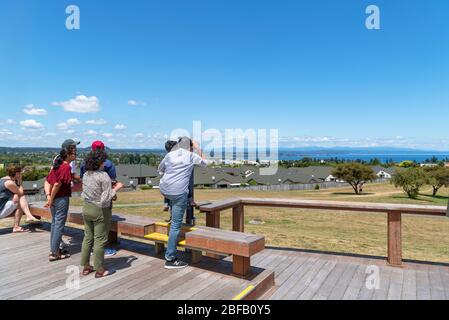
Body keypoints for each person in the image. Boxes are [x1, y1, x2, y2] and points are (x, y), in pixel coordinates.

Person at [158, 137, 208, 269]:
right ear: (190, 146)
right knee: (175, 225)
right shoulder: (191, 155)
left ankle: (167, 204)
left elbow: (160, 169)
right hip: (178, 193)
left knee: (174, 208)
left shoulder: (170, 154)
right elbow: (205, 163)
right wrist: (198, 147)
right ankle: (170, 258)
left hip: (164, 190)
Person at [80, 149, 123, 278]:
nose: (105, 163)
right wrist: (116, 188)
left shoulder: (87, 174)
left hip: (86, 208)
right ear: (99, 162)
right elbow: (105, 199)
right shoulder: (103, 176)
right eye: (103, 161)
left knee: (88, 238)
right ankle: (100, 269)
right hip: (100, 210)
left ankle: (86, 266)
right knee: (100, 240)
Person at [80, 140, 118, 257]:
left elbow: (82, 179)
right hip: (103, 200)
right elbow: (113, 181)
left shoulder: (84, 164)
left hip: (88, 200)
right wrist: (114, 192)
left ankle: (86, 261)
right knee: (101, 232)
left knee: (88, 234)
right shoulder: (108, 164)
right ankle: (102, 253)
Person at [45, 147, 77, 261]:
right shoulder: (66, 167)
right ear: (67, 155)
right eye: (74, 154)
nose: (75, 155)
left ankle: (54, 249)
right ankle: (55, 253)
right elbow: (57, 184)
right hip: (61, 199)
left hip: (55, 199)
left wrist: (49, 197)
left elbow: (49, 181)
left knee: (54, 223)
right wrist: (51, 199)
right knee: (59, 225)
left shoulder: (56, 166)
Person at [0, 165, 41, 232]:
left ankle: (25, 219)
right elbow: (21, 193)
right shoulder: (9, 183)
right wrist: (20, 183)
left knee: (19, 201)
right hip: (1, 209)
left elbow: (14, 192)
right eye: (20, 173)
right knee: (21, 198)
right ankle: (27, 217)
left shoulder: (3, 179)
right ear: (16, 173)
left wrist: (16, 194)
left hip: (2, 205)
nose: (21, 174)